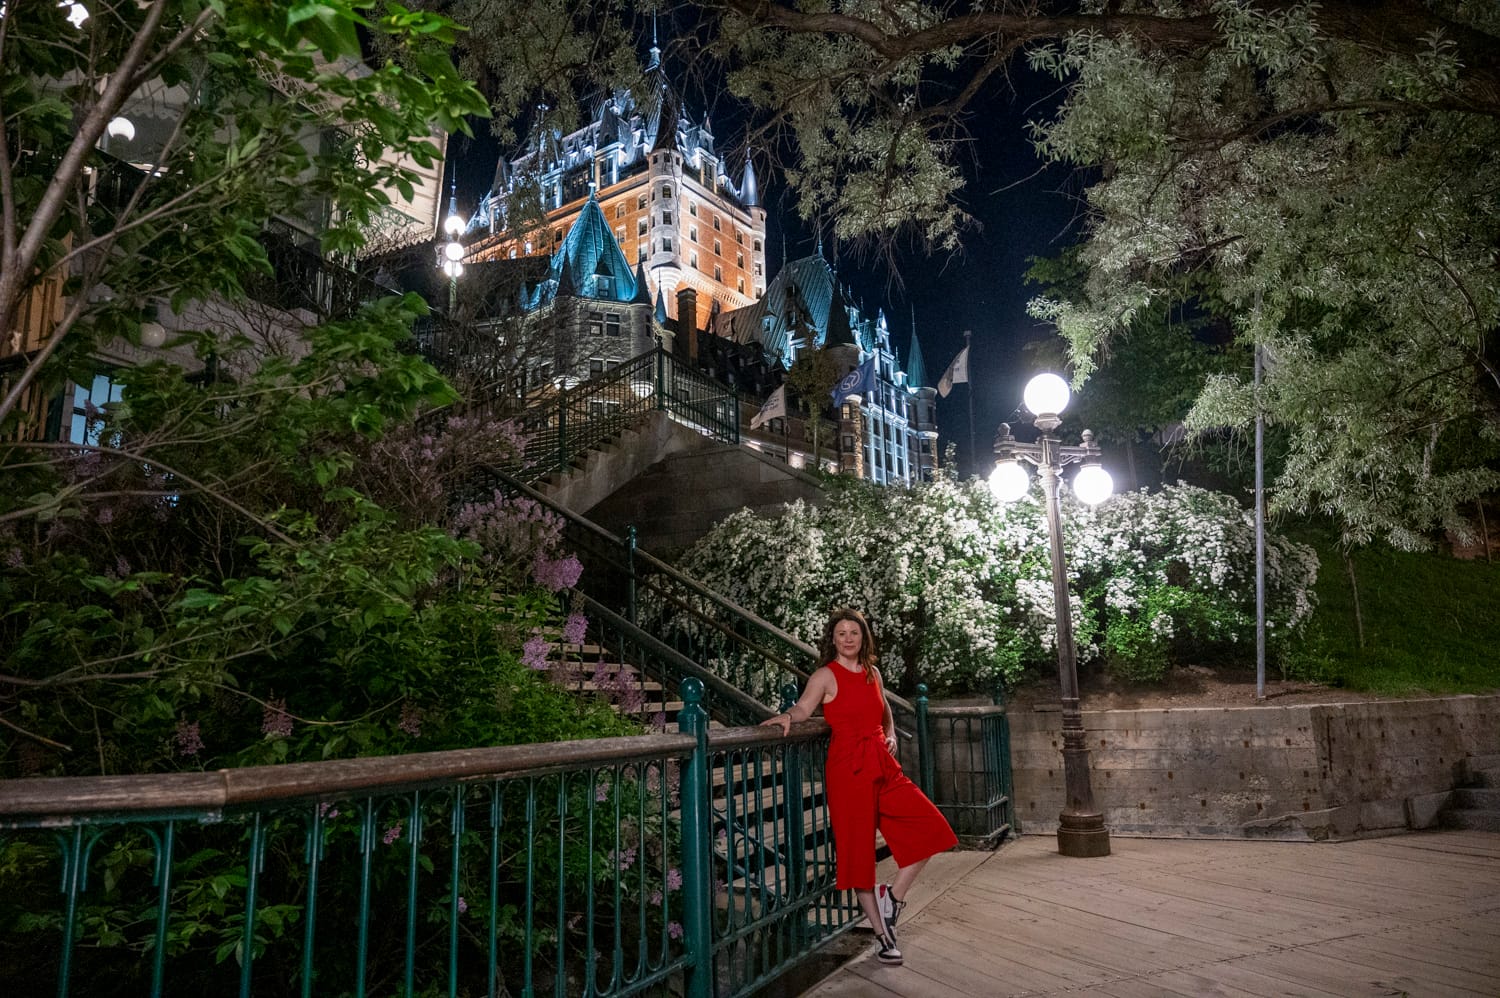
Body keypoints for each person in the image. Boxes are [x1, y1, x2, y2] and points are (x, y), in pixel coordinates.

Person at [760, 607, 957, 966]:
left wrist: (892, 732)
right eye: (841, 633)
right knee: (858, 855)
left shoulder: (873, 673)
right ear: (832, 639)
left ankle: (892, 899)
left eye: (854, 632)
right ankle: (883, 936)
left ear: (863, 637)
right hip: (847, 771)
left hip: (882, 763)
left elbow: (884, 711)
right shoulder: (825, 675)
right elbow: (804, 707)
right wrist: (788, 717)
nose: (848, 638)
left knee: (933, 829)